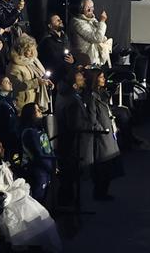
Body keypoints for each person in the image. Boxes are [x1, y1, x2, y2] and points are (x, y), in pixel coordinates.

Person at [0, 138, 62, 251]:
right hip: (8, 201)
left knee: (42, 217)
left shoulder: (6, 164)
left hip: (20, 195)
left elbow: (14, 179)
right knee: (21, 227)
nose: (3, 149)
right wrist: (8, 196)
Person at [55, 67, 92, 207]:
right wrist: (87, 125)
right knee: (70, 175)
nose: (84, 80)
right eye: (80, 78)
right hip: (72, 143)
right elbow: (75, 124)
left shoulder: (63, 95)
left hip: (65, 140)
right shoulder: (72, 100)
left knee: (67, 176)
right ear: (74, 83)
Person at [84, 68, 123, 201]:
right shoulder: (92, 97)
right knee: (103, 165)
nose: (104, 79)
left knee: (109, 164)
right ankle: (100, 192)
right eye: (101, 77)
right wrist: (101, 130)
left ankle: (103, 191)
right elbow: (92, 118)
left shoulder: (101, 94)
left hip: (108, 132)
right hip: (102, 135)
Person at [20, 101, 57, 207]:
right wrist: (51, 168)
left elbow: (48, 149)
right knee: (38, 201)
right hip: (37, 171)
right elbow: (38, 154)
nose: (40, 112)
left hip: (46, 169)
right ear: (30, 115)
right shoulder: (30, 132)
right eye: (36, 110)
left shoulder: (40, 129)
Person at [6, 34, 52, 113]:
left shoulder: (33, 61)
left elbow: (41, 75)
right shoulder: (14, 66)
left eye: (33, 50)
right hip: (24, 104)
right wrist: (37, 82)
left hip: (36, 103)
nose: (32, 53)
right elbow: (17, 85)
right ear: (22, 50)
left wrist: (45, 82)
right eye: (29, 50)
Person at [69, 0, 112, 67]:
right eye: (87, 7)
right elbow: (97, 38)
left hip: (95, 60)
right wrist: (102, 22)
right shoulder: (77, 23)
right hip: (85, 61)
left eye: (92, 7)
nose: (90, 10)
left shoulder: (92, 20)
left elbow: (101, 35)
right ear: (81, 9)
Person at [38, 12, 75, 85]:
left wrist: (73, 60)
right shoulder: (46, 41)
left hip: (67, 75)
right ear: (50, 25)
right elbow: (50, 59)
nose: (60, 21)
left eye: (60, 19)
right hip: (55, 78)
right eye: (57, 20)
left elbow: (70, 53)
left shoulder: (65, 38)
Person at [0, 76, 19, 157]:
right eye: (6, 82)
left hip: (12, 134)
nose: (10, 83)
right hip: (3, 135)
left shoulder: (9, 99)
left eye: (9, 81)